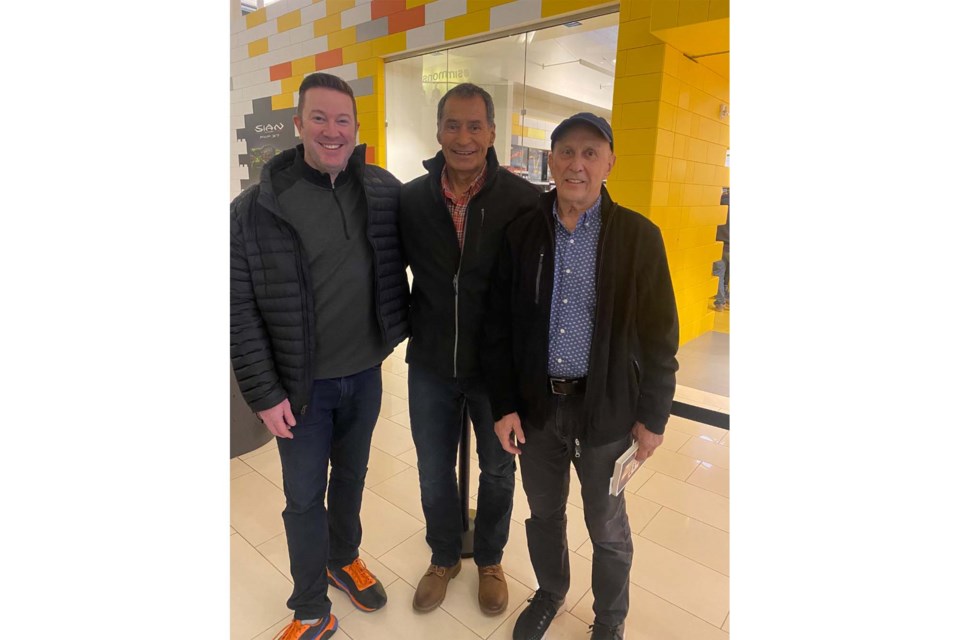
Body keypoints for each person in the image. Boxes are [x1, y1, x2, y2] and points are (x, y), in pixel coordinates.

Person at [482, 113, 680, 640]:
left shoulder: (639, 237)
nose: (577, 164)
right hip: (537, 409)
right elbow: (498, 327)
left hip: (608, 411)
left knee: (607, 528)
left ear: (610, 163)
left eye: (591, 153)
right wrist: (504, 405)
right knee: (544, 513)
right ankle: (550, 593)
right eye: (566, 152)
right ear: (551, 161)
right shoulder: (522, 233)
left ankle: (610, 622)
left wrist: (653, 416)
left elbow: (661, 336)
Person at [230, 72, 409, 640]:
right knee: (303, 499)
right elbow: (238, 309)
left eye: (343, 120)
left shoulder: (380, 191)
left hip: (365, 374)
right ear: (298, 124)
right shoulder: (254, 209)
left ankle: (343, 558)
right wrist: (264, 394)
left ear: (357, 127)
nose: (333, 131)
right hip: (299, 390)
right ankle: (310, 609)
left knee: (352, 478)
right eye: (320, 118)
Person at [398, 83, 540, 615]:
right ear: (438, 132)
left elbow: (531, 294)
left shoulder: (523, 201)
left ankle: (489, 559)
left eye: (475, 125)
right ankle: (442, 556)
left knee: (499, 469)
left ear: (492, 132)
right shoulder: (412, 199)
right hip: (431, 362)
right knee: (433, 468)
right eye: (453, 125)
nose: (463, 137)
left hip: (495, 371)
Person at [714, 188, 730, 310]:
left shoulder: (719, 203)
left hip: (720, 242)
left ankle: (720, 302)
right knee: (728, 272)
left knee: (719, 272)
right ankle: (727, 296)